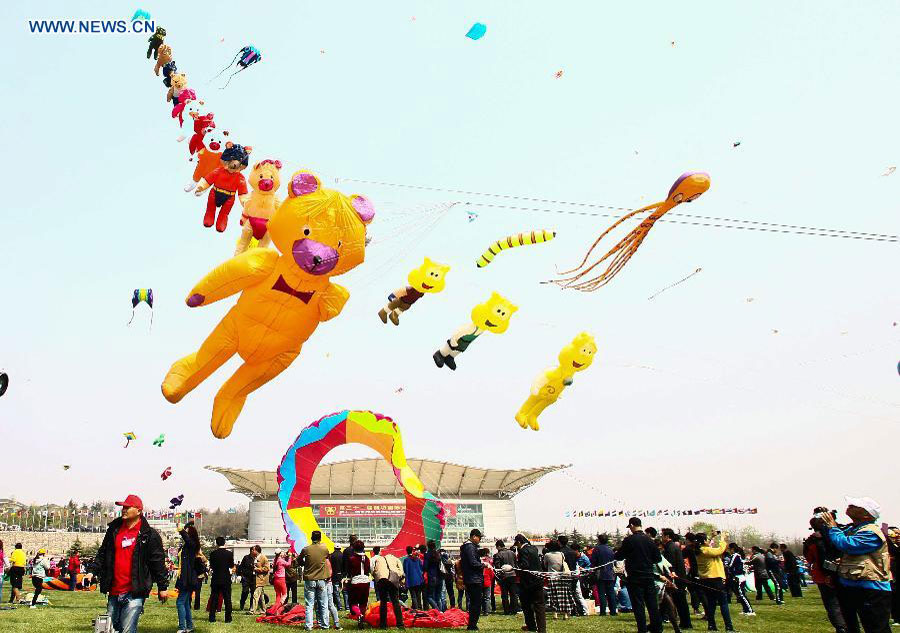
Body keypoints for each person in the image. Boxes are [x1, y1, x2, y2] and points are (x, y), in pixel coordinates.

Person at [91, 494, 169, 633]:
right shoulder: (114, 530)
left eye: (128, 507)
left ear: (139, 511)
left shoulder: (149, 535)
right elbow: (103, 553)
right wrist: (92, 571)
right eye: (123, 507)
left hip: (134, 592)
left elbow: (157, 562)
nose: (124, 510)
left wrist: (163, 587)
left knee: (128, 630)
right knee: (109, 630)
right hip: (114, 591)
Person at [820, 497, 892, 633]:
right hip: (854, 586)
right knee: (851, 626)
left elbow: (847, 545)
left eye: (855, 506)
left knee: (876, 628)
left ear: (867, 515)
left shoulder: (871, 532)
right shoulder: (855, 529)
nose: (850, 506)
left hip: (872, 589)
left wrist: (832, 527)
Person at [615, 517, 662, 633]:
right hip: (649, 576)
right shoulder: (650, 540)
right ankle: (657, 628)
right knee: (652, 604)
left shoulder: (629, 540)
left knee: (638, 605)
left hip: (635, 577)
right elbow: (658, 558)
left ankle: (642, 629)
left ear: (631, 525)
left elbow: (619, 556)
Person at [804, 514, 848, 633]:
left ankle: (841, 627)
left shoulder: (812, 541)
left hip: (823, 575)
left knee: (831, 603)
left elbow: (809, 558)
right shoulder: (838, 534)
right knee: (843, 601)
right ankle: (846, 625)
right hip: (841, 572)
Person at [693, 532, 734, 632]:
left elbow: (708, 544)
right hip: (715, 579)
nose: (709, 541)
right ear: (703, 541)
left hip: (706, 580)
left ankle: (711, 626)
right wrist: (722, 538)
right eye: (707, 539)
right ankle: (729, 627)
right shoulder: (706, 550)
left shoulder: (699, 550)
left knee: (711, 603)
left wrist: (712, 536)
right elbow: (720, 550)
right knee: (723, 603)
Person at [514, 534, 546, 633]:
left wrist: (516, 567)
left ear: (519, 542)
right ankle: (542, 629)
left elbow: (525, 565)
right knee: (539, 606)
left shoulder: (523, 551)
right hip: (538, 580)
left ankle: (531, 626)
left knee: (526, 606)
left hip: (527, 583)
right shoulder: (534, 548)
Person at [661, 529, 692, 628]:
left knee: (680, 602)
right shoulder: (673, 546)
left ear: (667, 536)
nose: (661, 537)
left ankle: (685, 623)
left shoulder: (670, 548)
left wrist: (669, 577)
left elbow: (670, 565)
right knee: (680, 602)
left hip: (676, 579)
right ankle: (685, 622)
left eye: (663, 535)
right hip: (680, 578)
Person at [300, 530, 331, 630]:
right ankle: (325, 625)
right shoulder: (325, 548)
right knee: (323, 603)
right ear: (320, 538)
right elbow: (327, 557)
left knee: (309, 604)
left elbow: (299, 560)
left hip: (310, 579)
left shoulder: (306, 549)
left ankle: (309, 626)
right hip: (322, 579)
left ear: (311, 538)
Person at [175, 522, 201, 632]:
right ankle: (189, 626)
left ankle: (182, 627)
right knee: (185, 603)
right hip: (184, 577)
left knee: (180, 602)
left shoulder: (192, 544)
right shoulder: (188, 545)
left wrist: (181, 530)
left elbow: (187, 538)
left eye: (187, 532)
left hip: (188, 578)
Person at [373, 547, 405, 629]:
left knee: (383, 602)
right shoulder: (396, 559)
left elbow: (374, 571)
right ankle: (400, 624)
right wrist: (400, 579)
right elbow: (401, 572)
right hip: (393, 581)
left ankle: (383, 625)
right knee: (395, 602)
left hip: (382, 580)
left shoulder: (379, 559)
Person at [460, 529, 485, 631]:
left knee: (475, 602)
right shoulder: (470, 547)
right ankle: (472, 625)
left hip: (471, 578)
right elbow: (473, 563)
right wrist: (483, 565)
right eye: (479, 537)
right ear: (474, 536)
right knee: (476, 603)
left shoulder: (468, 546)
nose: (479, 540)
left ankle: (472, 624)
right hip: (473, 579)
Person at [543, 539, 574, 619]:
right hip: (562, 577)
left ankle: (555, 614)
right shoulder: (561, 554)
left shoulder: (547, 555)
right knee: (564, 596)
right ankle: (565, 615)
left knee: (553, 597)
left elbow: (545, 565)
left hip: (552, 577)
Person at [208, 536, 235, 623]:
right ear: (224, 543)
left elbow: (211, 566)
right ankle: (228, 618)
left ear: (216, 543)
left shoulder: (213, 554)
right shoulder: (229, 554)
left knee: (214, 598)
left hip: (216, 578)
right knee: (227, 599)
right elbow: (231, 565)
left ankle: (212, 617)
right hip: (226, 578)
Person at [590, 533, 617, 616]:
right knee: (611, 593)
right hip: (610, 573)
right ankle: (613, 611)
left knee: (601, 593)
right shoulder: (610, 549)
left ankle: (603, 611)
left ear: (599, 540)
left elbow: (593, 561)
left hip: (600, 573)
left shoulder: (596, 549)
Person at [347, 540, 371, 626]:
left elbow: (349, 571)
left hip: (356, 581)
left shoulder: (352, 559)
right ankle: (362, 616)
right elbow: (369, 570)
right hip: (366, 581)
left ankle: (359, 615)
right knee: (363, 603)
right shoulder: (367, 558)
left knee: (353, 602)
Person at [726, 543, 754, 616]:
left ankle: (750, 610)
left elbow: (730, 565)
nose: (729, 550)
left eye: (729, 549)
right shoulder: (736, 555)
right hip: (738, 577)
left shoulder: (736, 555)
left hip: (739, 577)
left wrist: (726, 566)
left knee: (741, 595)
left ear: (732, 549)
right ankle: (745, 610)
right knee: (739, 595)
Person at [493, 540, 518, 615]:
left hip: (504, 576)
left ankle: (506, 610)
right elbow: (516, 564)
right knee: (513, 594)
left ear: (499, 546)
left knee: (504, 594)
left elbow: (497, 567)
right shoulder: (512, 553)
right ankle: (514, 610)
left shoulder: (498, 555)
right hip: (513, 575)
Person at [402, 545, 425, 609]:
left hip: (410, 580)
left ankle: (416, 608)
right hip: (419, 579)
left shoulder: (406, 560)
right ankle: (420, 607)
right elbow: (422, 568)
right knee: (418, 595)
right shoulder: (418, 559)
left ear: (406, 551)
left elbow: (405, 570)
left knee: (413, 595)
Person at [324, 553, 343, 630]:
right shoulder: (328, 561)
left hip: (327, 583)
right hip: (329, 583)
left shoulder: (326, 561)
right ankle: (335, 623)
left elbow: (329, 574)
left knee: (328, 605)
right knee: (330, 605)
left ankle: (327, 623)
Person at [424, 540, 444, 610]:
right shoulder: (438, 554)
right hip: (440, 577)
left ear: (428, 546)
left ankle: (437, 611)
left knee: (429, 596)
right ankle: (440, 612)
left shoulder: (427, 554)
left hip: (432, 576)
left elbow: (425, 567)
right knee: (438, 597)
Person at [250, 547, 270, 615]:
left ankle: (252, 610)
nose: (252, 551)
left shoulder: (263, 558)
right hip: (256, 579)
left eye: (253, 550)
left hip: (261, 579)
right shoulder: (255, 558)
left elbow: (267, 568)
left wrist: (257, 569)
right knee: (261, 597)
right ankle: (263, 610)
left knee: (255, 595)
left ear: (257, 551)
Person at [238, 546, 258, 611]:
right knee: (245, 592)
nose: (256, 551)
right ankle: (242, 604)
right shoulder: (246, 557)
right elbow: (241, 566)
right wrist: (240, 574)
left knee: (253, 593)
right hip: (246, 577)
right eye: (255, 550)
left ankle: (251, 607)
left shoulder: (257, 558)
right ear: (252, 551)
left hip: (254, 578)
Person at [341, 535, 358, 612]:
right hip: (357, 573)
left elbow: (343, 563)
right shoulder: (359, 550)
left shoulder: (346, 551)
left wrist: (343, 574)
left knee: (347, 591)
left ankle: (348, 606)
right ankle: (356, 606)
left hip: (348, 573)